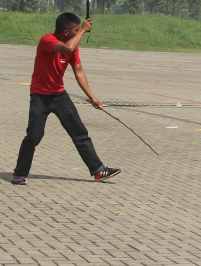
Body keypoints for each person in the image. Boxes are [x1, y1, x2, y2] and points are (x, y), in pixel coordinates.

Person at [12, 12, 121, 185]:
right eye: (76, 29)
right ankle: (19, 173)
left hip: (59, 96)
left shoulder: (73, 45)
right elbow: (68, 48)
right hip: (40, 96)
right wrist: (83, 31)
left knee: (79, 132)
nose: (79, 31)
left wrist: (92, 97)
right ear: (65, 32)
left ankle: (98, 170)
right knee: (34, 135)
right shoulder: (47, 40)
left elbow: (78, 71)